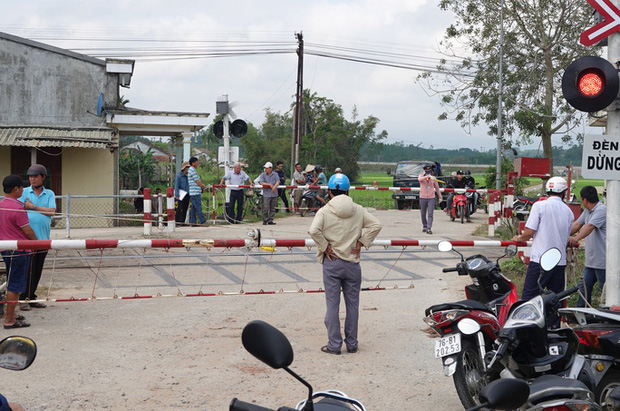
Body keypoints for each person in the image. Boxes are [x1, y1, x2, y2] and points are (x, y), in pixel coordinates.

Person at [308, 173, 382, 355]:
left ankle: (334, 345)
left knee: (332, 305)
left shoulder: (324, 211)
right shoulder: (358, 209)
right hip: (353, 264)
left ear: (330, 191)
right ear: (348, 190)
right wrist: (362, 242)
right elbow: (376, 225)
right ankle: (352, 343)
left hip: (332, 263)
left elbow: (313, 230)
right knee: (352, 306)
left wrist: (325, 247)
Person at [512, 176, 574, 305]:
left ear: (547, 190)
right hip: (559, 261)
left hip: (540, 260)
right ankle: (554, 325)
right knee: (555, 298)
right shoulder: (568, 211)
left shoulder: (539, 206)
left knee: (529, 296)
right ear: (564, 192)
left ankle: (528, 323)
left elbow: (529, 231)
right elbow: (566, 234)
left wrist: (518, 239)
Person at [0, 175, 37, 329]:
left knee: (11, 280)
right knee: (15, 285)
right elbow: (27, 231)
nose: (23, 189)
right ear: (16, 189)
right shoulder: (16, 207)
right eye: (21, 187)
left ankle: (12, 313)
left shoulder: (2, 204)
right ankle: (9, 320)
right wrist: (37, 244)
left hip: (6, 248)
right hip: (19, 250)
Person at [18, 164, 56, 311]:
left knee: (37, 269)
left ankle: (31, 297)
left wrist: (33, 207)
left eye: (35, 176)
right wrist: (40, 209)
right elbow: (20, 209)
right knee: (27, 269)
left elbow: (52, 212)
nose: (32, 179)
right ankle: (23, 299)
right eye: (30, 176)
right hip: (27, 238)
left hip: (43, 238)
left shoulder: (50, 194)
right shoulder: (23, 192)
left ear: (43, 177)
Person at [568, 186, 606, 307]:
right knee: (583, 288)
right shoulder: (587, 211)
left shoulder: (601, 210)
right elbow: (577, 224)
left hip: (603, 261)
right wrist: (562, 235)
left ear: (584, 200)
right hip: (591, 261)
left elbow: (589, 227)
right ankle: (583, 316)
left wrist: (575, 238)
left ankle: (611, 318)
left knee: (605, 291)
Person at [418, 164, 442, 234]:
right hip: (423, 197)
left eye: (429, 171)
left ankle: (429, 228)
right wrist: (427, 177)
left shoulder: (433, 178)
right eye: (427, 171)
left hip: (431, 198)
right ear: (424, 171)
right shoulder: (421, 176)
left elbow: (437, 188)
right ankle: (424, 226)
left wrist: (440, 196)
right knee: (423, 213)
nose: (428, 172)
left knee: (430, 214)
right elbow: (420, 180)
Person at [187, 156, 207, 226]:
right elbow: (197, 181)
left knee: (194, 208)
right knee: (198, 207)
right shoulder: (192, 170)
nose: (198, 164)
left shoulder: (191, 170)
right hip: (195, 192)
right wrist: (202, 187)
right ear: (193, 163)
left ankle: (193, 222)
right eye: (197, 162)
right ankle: (202, 221)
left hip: (194, 191)